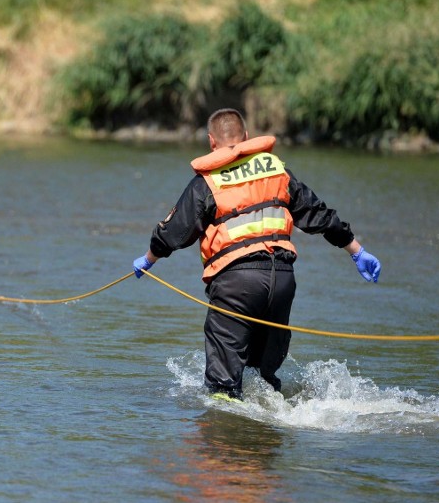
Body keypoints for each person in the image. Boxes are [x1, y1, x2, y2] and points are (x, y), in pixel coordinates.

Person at [133, 108, 381, 400]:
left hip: (236, 284)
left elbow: (174, 231)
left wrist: (148, 260)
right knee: (262, 381)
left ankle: (225, 438)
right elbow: (318, 215)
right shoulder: (277, 171)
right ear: (247, 137)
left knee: (222, 390)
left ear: (212, 142)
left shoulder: (208, 182)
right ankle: (264, 439)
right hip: (282, 281)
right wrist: (356, 250)